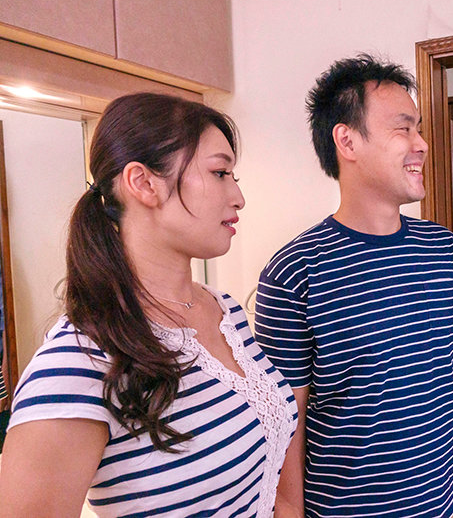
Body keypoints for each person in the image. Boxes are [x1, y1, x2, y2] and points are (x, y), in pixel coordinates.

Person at [0, 93, 297, 517]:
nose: (237, 196)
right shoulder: (78, 365)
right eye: (219, 173)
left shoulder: (224, 310)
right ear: (142, 183)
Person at [255, 54, 453, 518]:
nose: (421, 144)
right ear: (347, 140)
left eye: (418, 129)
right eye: (403, 129)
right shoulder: (295, 270)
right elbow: (287, 415)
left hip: (444, 503)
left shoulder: (442, 247)